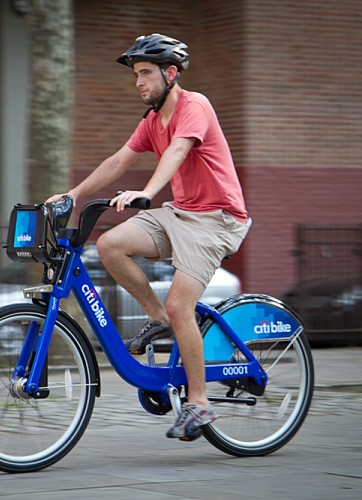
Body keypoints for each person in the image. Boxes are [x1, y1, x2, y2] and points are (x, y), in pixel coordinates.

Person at [46, 33, 250, 441]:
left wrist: (147, 192)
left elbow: (178, 151)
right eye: (135, 75)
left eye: (145, 73)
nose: (138, 82)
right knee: (110, 244)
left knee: (181, 305)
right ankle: (157, 319)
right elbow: (119, 160)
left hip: (217, 220)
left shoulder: (196, 106)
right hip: (181, 213)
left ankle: (199, 403)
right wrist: (71, 195)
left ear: (170, 73)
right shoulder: (152, 121)